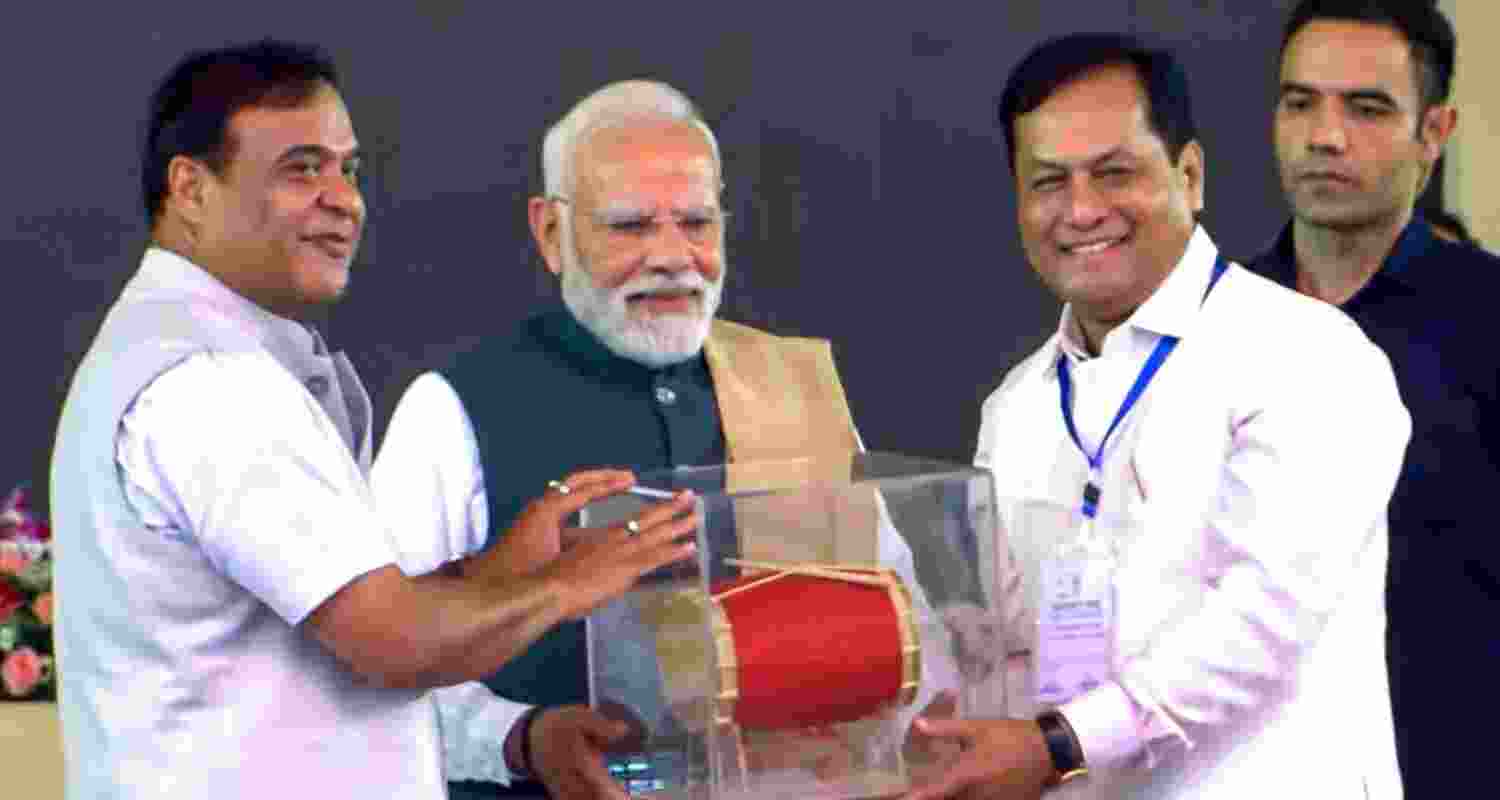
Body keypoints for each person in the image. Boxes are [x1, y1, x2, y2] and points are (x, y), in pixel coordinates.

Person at [49, 41, 696, 800]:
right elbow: (394, 646)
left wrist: (497, 573)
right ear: (190, 188)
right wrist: (567, 584)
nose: (344, 200)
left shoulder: (188, 356)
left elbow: (341, 630)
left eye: (349, 170)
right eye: (302, 169)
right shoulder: (210, 384)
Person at [372, 79, 952, 799]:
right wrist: (522, 738)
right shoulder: (454, 407)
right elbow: (381, 663)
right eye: (631, 226)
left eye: (696, 223)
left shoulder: (792, 386)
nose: (673, 256)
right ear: (550, 233)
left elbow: (908, 619)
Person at [905, 33, 1408, 799]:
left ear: (1190, 175)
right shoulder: (1017, 406)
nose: (1081, 210)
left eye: (1114, 173)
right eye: (1048, 182)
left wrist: (1058, 745)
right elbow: (999, 642)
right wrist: (916, 720)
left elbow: (1260, 624)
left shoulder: (1309, 355)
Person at [1246, 1, 1500, 794]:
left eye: (1366, 108)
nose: (1325, 136)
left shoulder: (1489, 320)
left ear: (1435, 132)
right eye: (1300, 103)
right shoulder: (1211, 325)